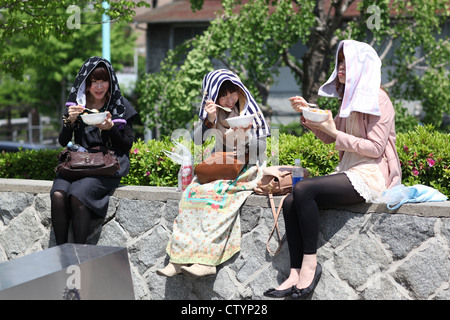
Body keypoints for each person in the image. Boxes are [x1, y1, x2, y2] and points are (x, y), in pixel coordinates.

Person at [263, 40, 401, 299]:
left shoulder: (379, 100)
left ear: (361, 67)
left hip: (371, 175)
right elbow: (330, 136)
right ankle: (294, 273)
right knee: (292, 200)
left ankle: (310, 266)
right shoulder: (349, 100)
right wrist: (308, 114)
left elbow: (374, 148)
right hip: (349, 171)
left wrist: (333, 131)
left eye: (346, 63)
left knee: (303, 188)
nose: (340, 68)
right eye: (339, 62)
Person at [157, 69, 270, 278]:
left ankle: (207, 262)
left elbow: (260, 150)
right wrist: (209, 119)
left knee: (217, 199)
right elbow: (197, 140)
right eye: (223, 95)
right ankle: (179, 259)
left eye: (232, 93)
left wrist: (246, 137)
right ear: (213, 96)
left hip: (246, 167)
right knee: (191, 194)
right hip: (221, 166)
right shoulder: (214, 113)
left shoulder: (249, 112)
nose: (229, 99)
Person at [50, 56, 137, 245]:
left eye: (103, 80)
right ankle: (61, 252)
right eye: (94, 81)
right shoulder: (77, 105)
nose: (99, 86)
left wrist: (111, 129)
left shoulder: (119, 105)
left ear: (110, 81)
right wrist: (69, 121)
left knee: (77, 195)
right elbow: (63, 141)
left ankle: (79, 254)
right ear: (86, 84)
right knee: (58, 195)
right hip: (79, 163)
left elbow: (127, 145)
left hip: (107, 164)